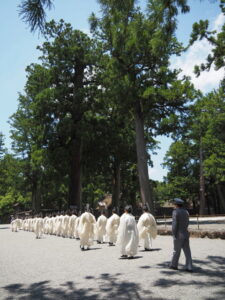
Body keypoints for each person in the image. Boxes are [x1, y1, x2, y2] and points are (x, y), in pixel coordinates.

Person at [170, 198, 193, 272]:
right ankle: (189, 266)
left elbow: (174, 224)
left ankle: (174, 265)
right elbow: (187, 223)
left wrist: (173, 233)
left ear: (176, 204)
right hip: (185, 233)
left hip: (178, 234)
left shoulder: (175, 212)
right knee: (187, 251)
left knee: (176, 250)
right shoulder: (186, 212)